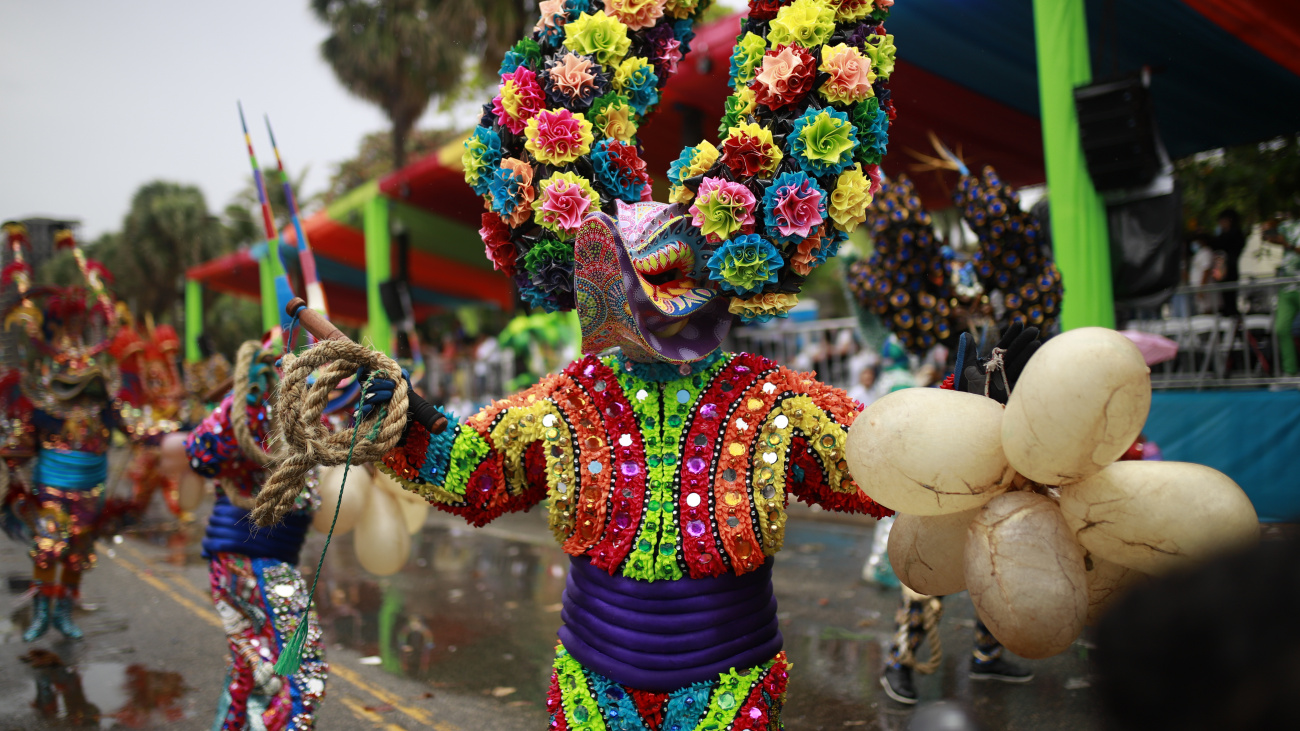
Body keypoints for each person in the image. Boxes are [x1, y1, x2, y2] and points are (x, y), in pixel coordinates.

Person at [253, 1, 904, 727]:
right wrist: (402, 406)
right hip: (596, 691)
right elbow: (474, 471)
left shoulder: (769, 398)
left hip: (732, 691)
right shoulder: (574, 398)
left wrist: (963, 428)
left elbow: (877, 464)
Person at [1, 224, 175, 642]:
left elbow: (133, 425)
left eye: (80, 333)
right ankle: (43, 609)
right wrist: (12, 455)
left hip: (92, 486)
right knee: (48, 546)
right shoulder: (43, 399)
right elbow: (22, 444)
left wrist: (164, 432)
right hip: (53, 487)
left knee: (79, 551)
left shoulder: (105, 399)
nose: (76, 347)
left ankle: (63, 608)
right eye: (67, 334)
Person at [880, 325, 1039, 705]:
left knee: (996, 577)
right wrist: (970, 400)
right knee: (924, 585)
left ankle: (987, 656)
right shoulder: (948, 404)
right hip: (944, 500)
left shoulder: (1029, 407)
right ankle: (898, 664)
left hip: (996, 498)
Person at [186, 340, 327, 730]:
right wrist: (250, 390)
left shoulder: (307, 410)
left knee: (249, 675)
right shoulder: (256, 405)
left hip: (256, 561)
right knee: (304, 676)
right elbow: (200, 452)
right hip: (249, 560)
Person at [1262, 218, 1300, 376]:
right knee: (1281, 328)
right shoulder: (1287, 225)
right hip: (1286, 286)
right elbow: (1266, 237)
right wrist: (1269, 229)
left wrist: (1287, 245)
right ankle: (1290, 372)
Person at [1210, 208, 1247, 316]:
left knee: (1230, 298)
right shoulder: (1221, 236)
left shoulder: (1235, 235)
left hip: (1230, 271)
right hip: (1221, 273)